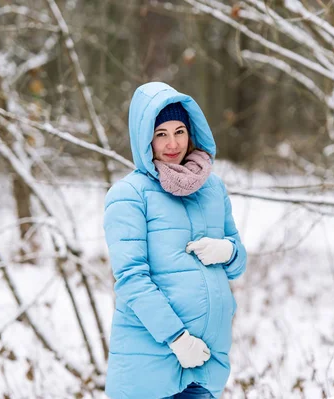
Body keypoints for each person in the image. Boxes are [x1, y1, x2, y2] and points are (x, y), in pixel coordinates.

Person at [103, 82, 247, 399]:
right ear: (145, 138)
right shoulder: (128, 196)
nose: (172, 143)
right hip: (149, 368)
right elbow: (131, 280)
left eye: (179, 131)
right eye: (161, 133)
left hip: (206, 363)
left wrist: (228, 252)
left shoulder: (212, 189)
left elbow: (239, 264)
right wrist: (178, 339)